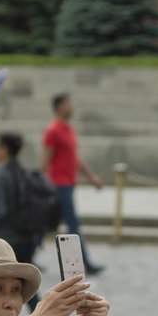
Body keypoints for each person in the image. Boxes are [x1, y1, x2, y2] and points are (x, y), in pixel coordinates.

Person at [0, 131, 49, 316]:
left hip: (10, 237)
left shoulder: (2, 175)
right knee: (24, 287)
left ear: (4, 149)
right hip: (27, 235)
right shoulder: (22, 171)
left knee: (4, 287)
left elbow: (3, 210)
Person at [42, 93, 104, 275]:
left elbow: (75, 158)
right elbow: (46, 157)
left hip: (67, 184)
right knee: (71, 225)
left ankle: (25, 256)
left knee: (50, 224)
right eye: (69, 103)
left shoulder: (68, 129)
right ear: (59, 107)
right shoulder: (53, 130)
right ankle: (83, 262)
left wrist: (91, 176)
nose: (72, 106)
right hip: (58, 185)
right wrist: (42, 181)